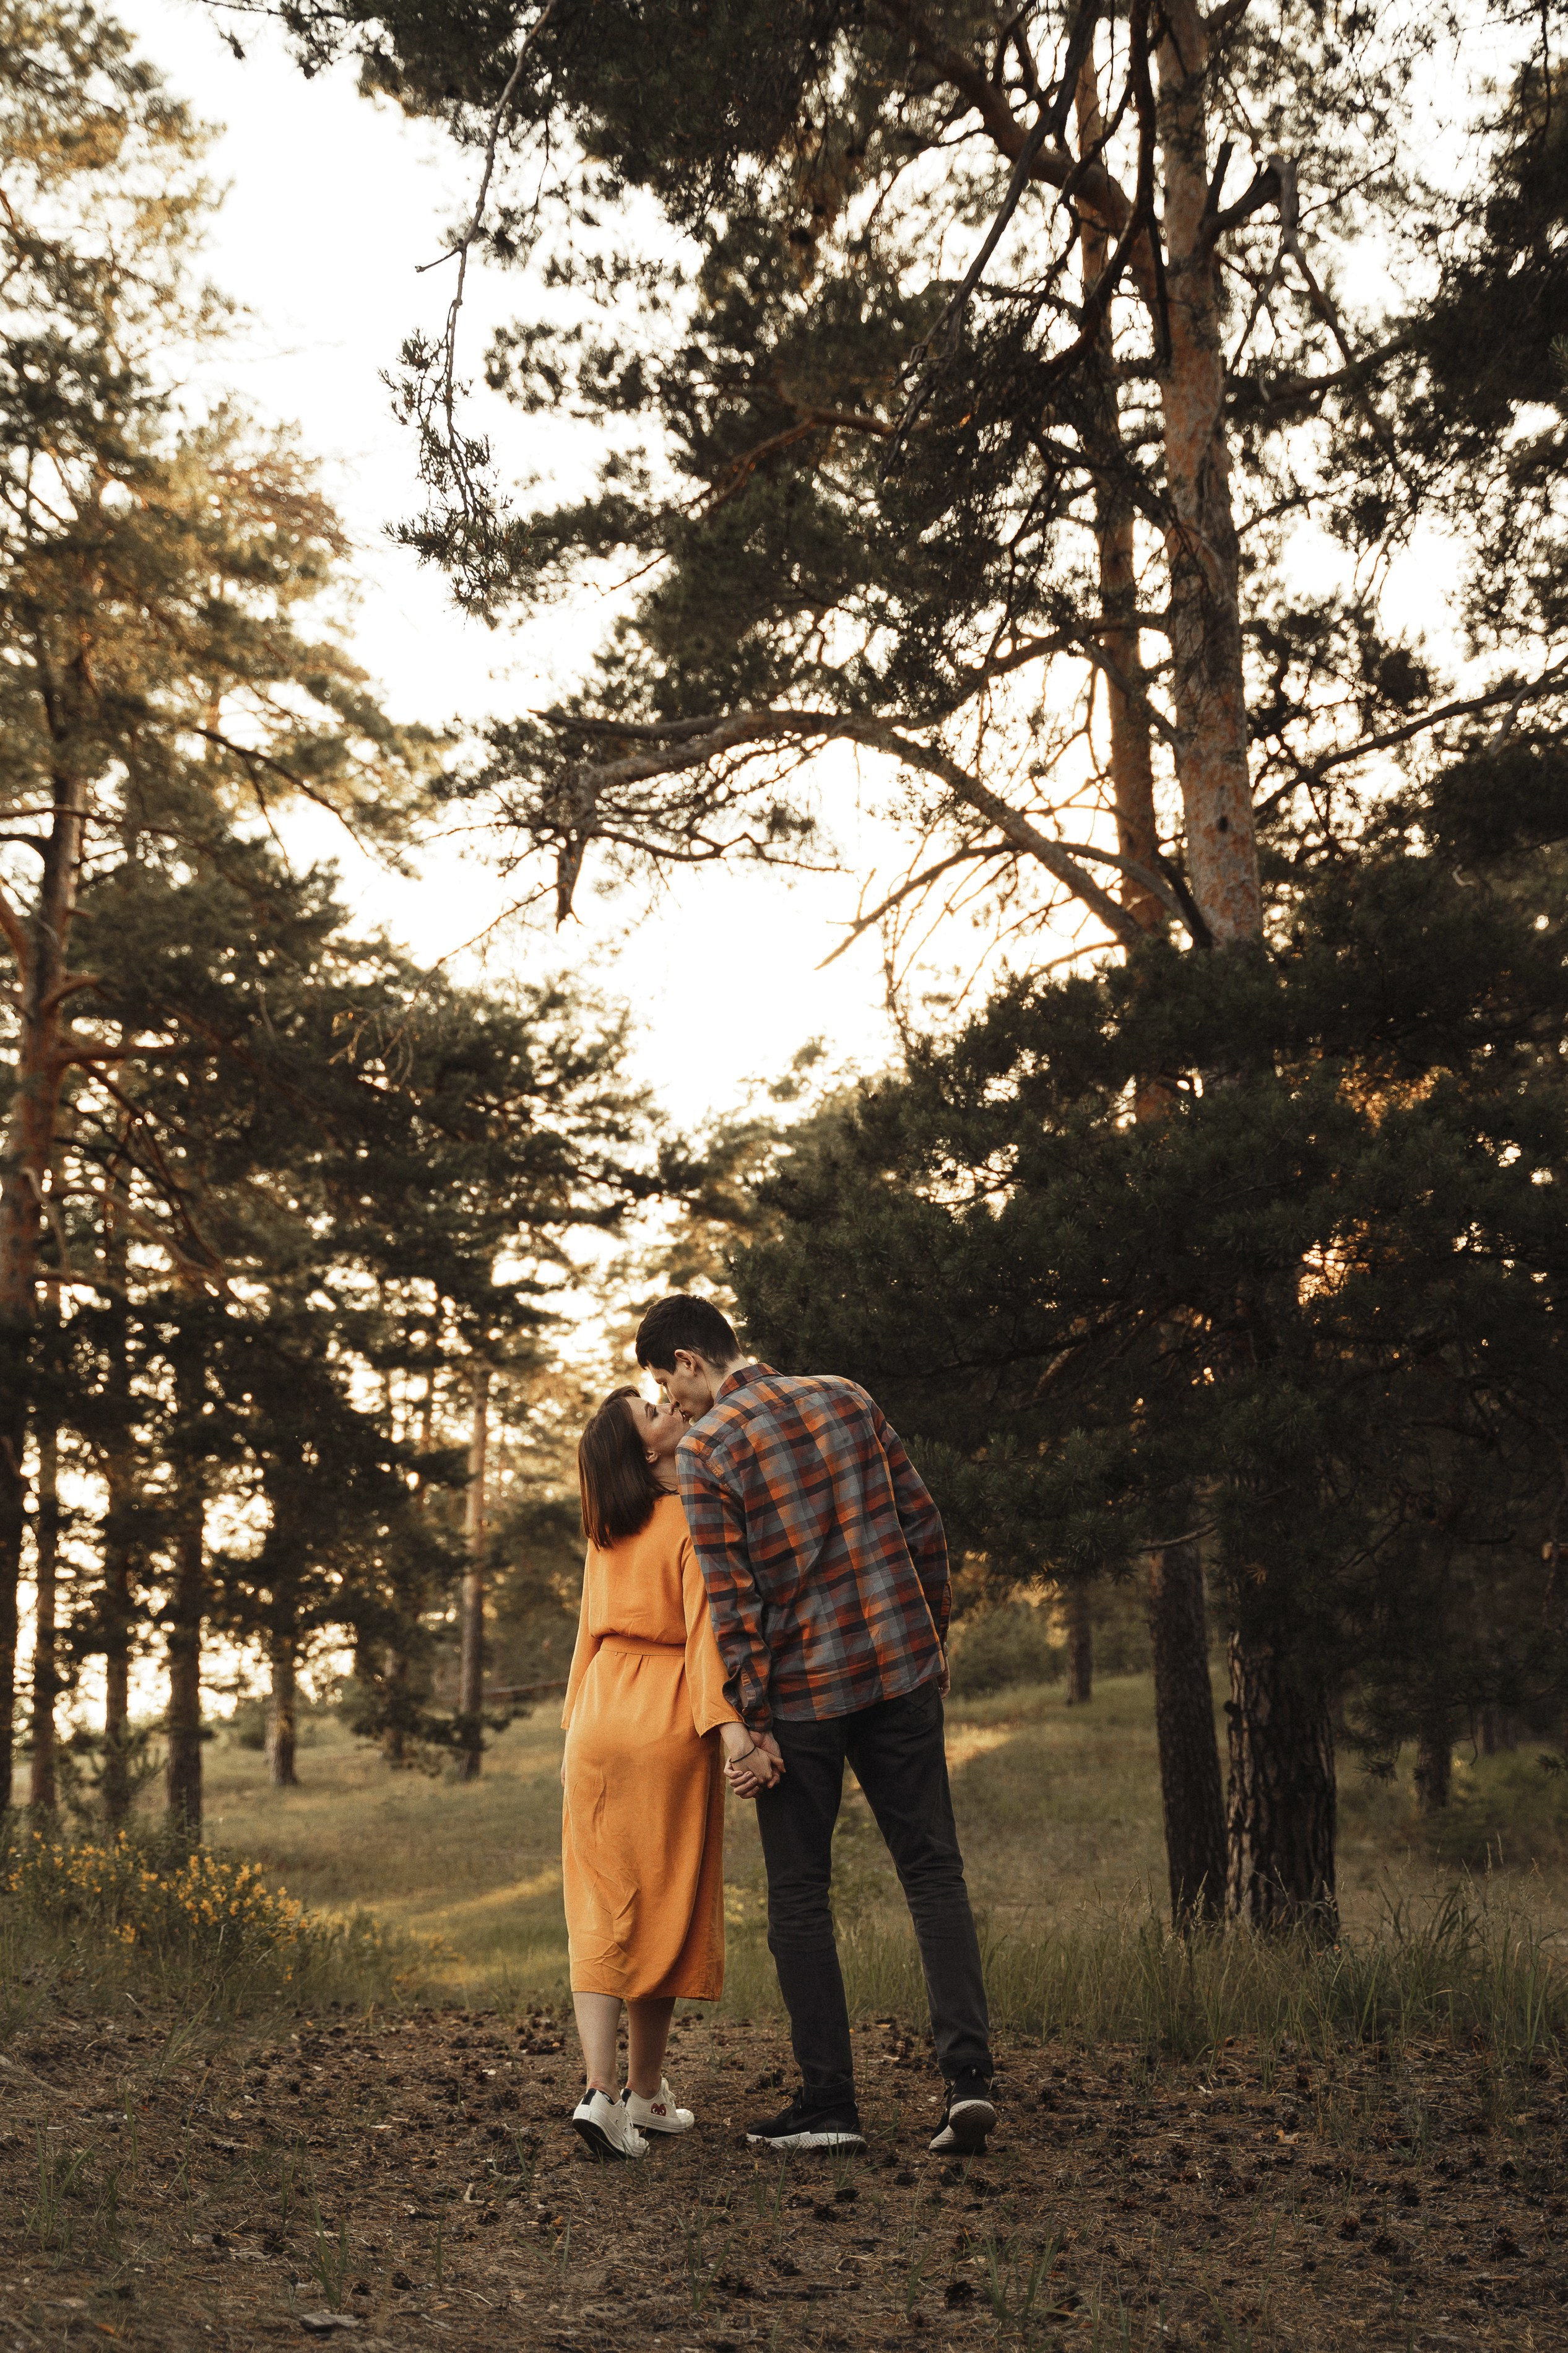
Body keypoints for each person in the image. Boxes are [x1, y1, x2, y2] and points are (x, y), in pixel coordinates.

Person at [635, 1294, 995, 2158]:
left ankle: (829, 2103)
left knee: (799, 1897)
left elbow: (735, 1602)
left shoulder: (714, 1447)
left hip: (802, 1701)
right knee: (933, 1873)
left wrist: (752, 1723)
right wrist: (927, 1639)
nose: (674, 1411)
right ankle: (968, 2085)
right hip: (899, 1673)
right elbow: (925, 1528)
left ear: (690, 1360)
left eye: (668, 1388)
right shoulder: (847, 1396)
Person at [561, 1383, 766, 2160]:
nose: (668, 1409)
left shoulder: (603, 1530)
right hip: (664, 1716)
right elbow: (708, 1636)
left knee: (600, 1903)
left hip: (595, 1720)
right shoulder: (688, 1520)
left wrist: (568, 1735)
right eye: (653, 1413)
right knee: (663, 1900)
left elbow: (585, 1637)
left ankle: (605, 2090)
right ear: (647, 1451)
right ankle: (640, 2090)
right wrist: (732, 1731)